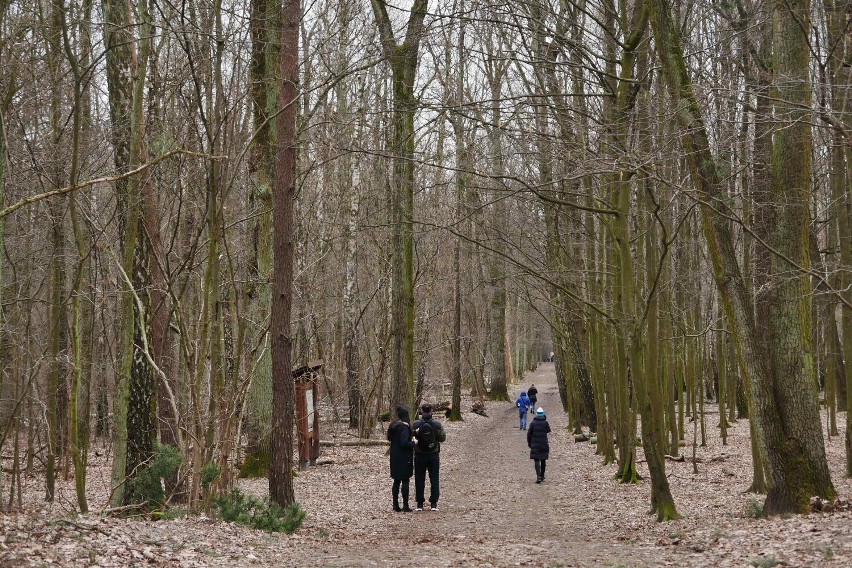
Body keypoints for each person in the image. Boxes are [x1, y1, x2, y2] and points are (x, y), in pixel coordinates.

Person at [412, 403, 447, 511]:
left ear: (421, 411)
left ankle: (419, 504)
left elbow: (412, 438)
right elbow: (442, 438)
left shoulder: (415, 424)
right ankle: (433, 504)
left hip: (419, 455)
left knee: (419, 479)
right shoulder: (437, 424)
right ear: (431, 411)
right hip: (433, 454)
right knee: (434, 479)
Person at [387, 406, 415, 512]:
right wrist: (413, 443)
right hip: (404, 457)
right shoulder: (404, 427)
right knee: (405, 480)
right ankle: (406, 505)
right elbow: (404, 443)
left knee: (396, 480)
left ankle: (395, 504)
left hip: (394, 457)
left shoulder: (393, 426)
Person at [527, 407, 551, 483]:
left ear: (536, 414)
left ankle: (538, 476)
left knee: (536, 460)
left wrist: (529, 443)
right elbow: (548, 430)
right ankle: (542, 475)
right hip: (543, 443)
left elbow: (529, 434)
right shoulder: (545, 422)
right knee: (543, 460)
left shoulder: (533, 423)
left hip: (535, 444)